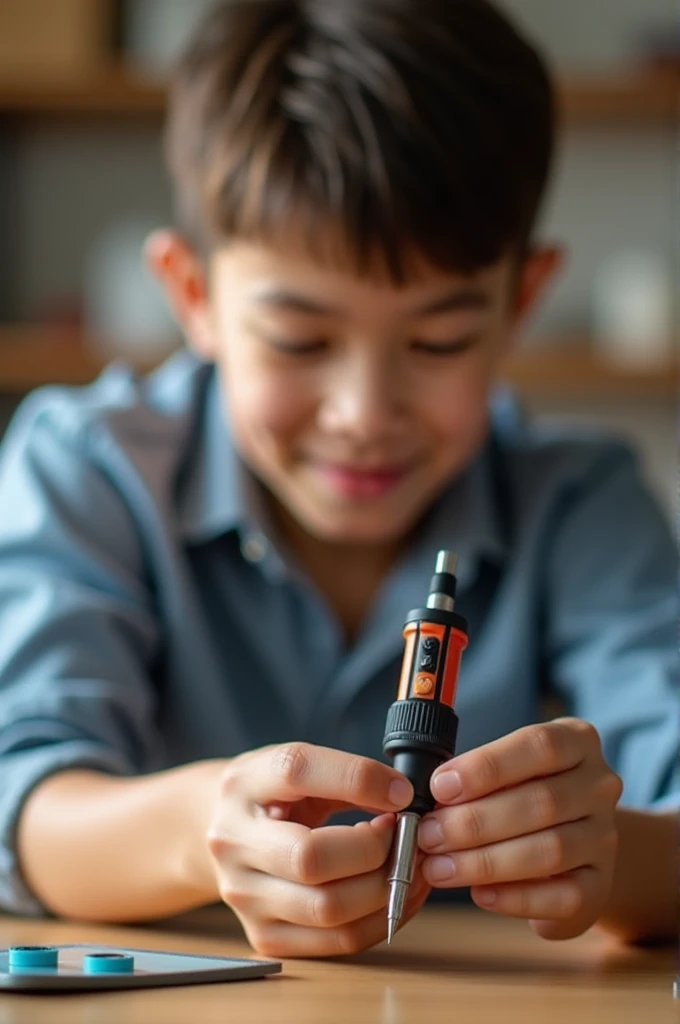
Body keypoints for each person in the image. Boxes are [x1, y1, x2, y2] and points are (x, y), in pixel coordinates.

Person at [0, 0, 677, 960]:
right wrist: (201, 832)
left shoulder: (582, 505)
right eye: (301, 339)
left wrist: (609, 851)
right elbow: (25, 803)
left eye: (438, 340)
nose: (364, 411)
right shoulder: (87, 470)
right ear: (193, 294)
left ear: (522, 303)